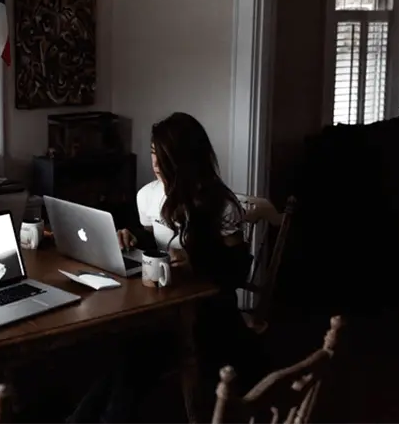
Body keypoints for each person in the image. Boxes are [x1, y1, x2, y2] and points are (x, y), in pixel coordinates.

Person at [67, 112, 264, 424]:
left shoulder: (219, 204)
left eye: (163, 156)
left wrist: (196, 260)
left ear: (184, 158)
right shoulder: (148, 195)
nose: (155, 163)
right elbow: (152, 239)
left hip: (206, 315)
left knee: (131, 362)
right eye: (152, 153)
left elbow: (238, 270)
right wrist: (131, 236)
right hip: (160, 305)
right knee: (123, 360)